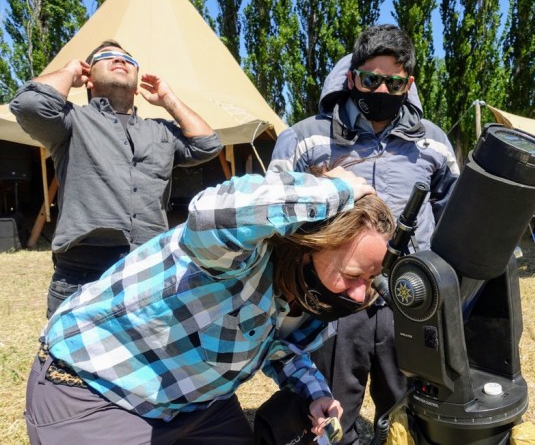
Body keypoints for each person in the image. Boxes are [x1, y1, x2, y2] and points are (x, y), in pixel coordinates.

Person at [24, 167, 395, 444]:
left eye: (370, 278)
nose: (360, 295)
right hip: (96, 388)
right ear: (307, 246)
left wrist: (316, 393)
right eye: (352, 275)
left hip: (195, 404)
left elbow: (280, 349)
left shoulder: (306, 295)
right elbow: (211, 213)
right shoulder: (231, 258)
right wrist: (336, 191)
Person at [269, 24, 459, 444]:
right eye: (371, 79)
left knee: (412, 410)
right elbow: (274, 219)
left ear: (409, 85)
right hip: (333, 301)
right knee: (331, 411)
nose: (382, 90)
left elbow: (454, 215)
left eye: (395, 83)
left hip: (410, 299)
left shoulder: (434, 143)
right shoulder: (303, 138)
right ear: (352, 77)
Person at [10, 40, 222, 319]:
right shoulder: (70, 121)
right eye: (107, 57)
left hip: (149, 271)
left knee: (151, 350)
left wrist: (169, 99)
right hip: (83, 275)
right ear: (88, 77)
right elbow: (28, 105)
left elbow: (207, 145)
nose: (120, 61)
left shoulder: (161, 131)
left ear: (136, 85)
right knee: (73, 351)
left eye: (128, 60)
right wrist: (70, 71)